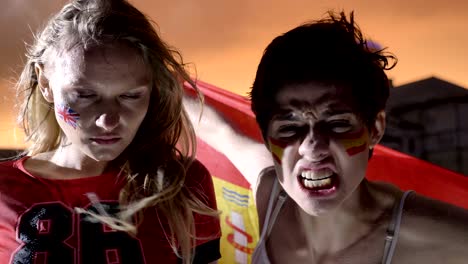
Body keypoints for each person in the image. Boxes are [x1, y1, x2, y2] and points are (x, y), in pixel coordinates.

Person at [186, 11, 468, 263]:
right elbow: (214, 127)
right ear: (266, 135)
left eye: (337, 124)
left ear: (376, 128)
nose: (312, 147)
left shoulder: (435, 236)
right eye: (288, 128)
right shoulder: (272, 196)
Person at [0, 0, 221, 263]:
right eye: (84, 94)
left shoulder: (182, 185)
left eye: (130, 95)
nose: (108, 120)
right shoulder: (4, 188)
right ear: (45, 83)